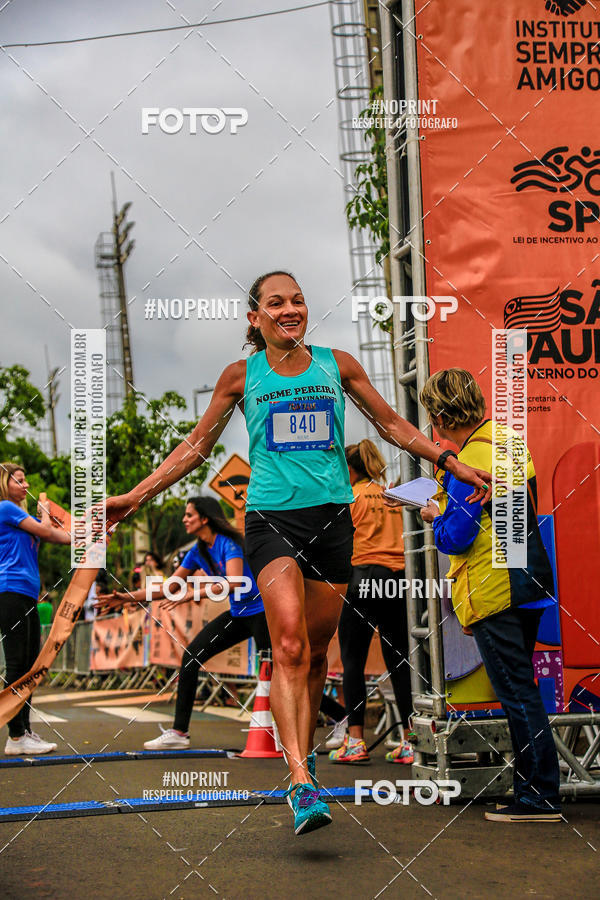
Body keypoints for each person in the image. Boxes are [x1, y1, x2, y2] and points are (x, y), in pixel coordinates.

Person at [104, 271, 492, 835]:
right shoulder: (242, 375)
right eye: (276, 302)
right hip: (271, 520)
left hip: (331, 520)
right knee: (286, 642)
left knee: (313, 654)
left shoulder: (338, 365)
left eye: (298, 300)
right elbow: (194, 448)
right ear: (254, 319)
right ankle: (300, 781)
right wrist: (136, 496)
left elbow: (390, 425)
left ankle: (303, 753)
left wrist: (449, 461)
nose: (290, 309)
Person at [415, 369, 561, 822]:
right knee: (524, 692)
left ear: (440, 415)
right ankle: (533, 792)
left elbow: (455, 539)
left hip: (493, 589)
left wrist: (433, 514)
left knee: (518, 694)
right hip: (529, 580)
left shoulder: (466, 463)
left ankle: (539, 797)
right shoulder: (507, 442)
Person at [97, 496, 270, 748]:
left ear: (205, 518)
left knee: (284, 671)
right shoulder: (197, 551)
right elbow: (169, 586)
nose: (184, 520)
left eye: (189, 515)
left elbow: (236, 581)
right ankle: (179, 733)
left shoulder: (228, 543)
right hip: (239, 614)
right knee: (191, 658)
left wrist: (193, 593)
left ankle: (339, 717)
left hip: (263, 612)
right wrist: (126, 597)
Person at [328, 439, 413, 765]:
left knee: (353, 662)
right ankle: (409, 741)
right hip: (398, 579)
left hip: (362, 578)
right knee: (401, 661)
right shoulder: (394, 497)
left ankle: (356, 742)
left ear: (350, 469)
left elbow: (339, 544)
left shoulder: (352, 498)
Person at [0, 463, 71, 755]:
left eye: (26, 480)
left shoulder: (19, 514)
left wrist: (93, 539)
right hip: (10, 591)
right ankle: (16, 736)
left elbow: (58, 535)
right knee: (18, 664)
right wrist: (43, 509)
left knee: (29, 666)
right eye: (19, 481)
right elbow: (48, 532)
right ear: (5, 484)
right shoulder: (6, 508)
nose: (26, 486)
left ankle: (24, 731)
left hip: (27, 593)